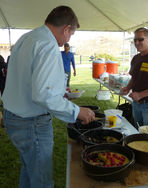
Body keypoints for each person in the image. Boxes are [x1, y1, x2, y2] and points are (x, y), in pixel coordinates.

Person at [2, 6, 95, 188]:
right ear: (66, 28)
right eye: (71, 34)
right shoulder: (48, 44)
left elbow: (29, 79)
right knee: (42, 180)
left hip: (13, 116)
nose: (68, 39)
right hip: (31, 122)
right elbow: (43, 95)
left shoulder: (28, 37)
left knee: (29, 169)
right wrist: (77, 111)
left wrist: (59, 90)